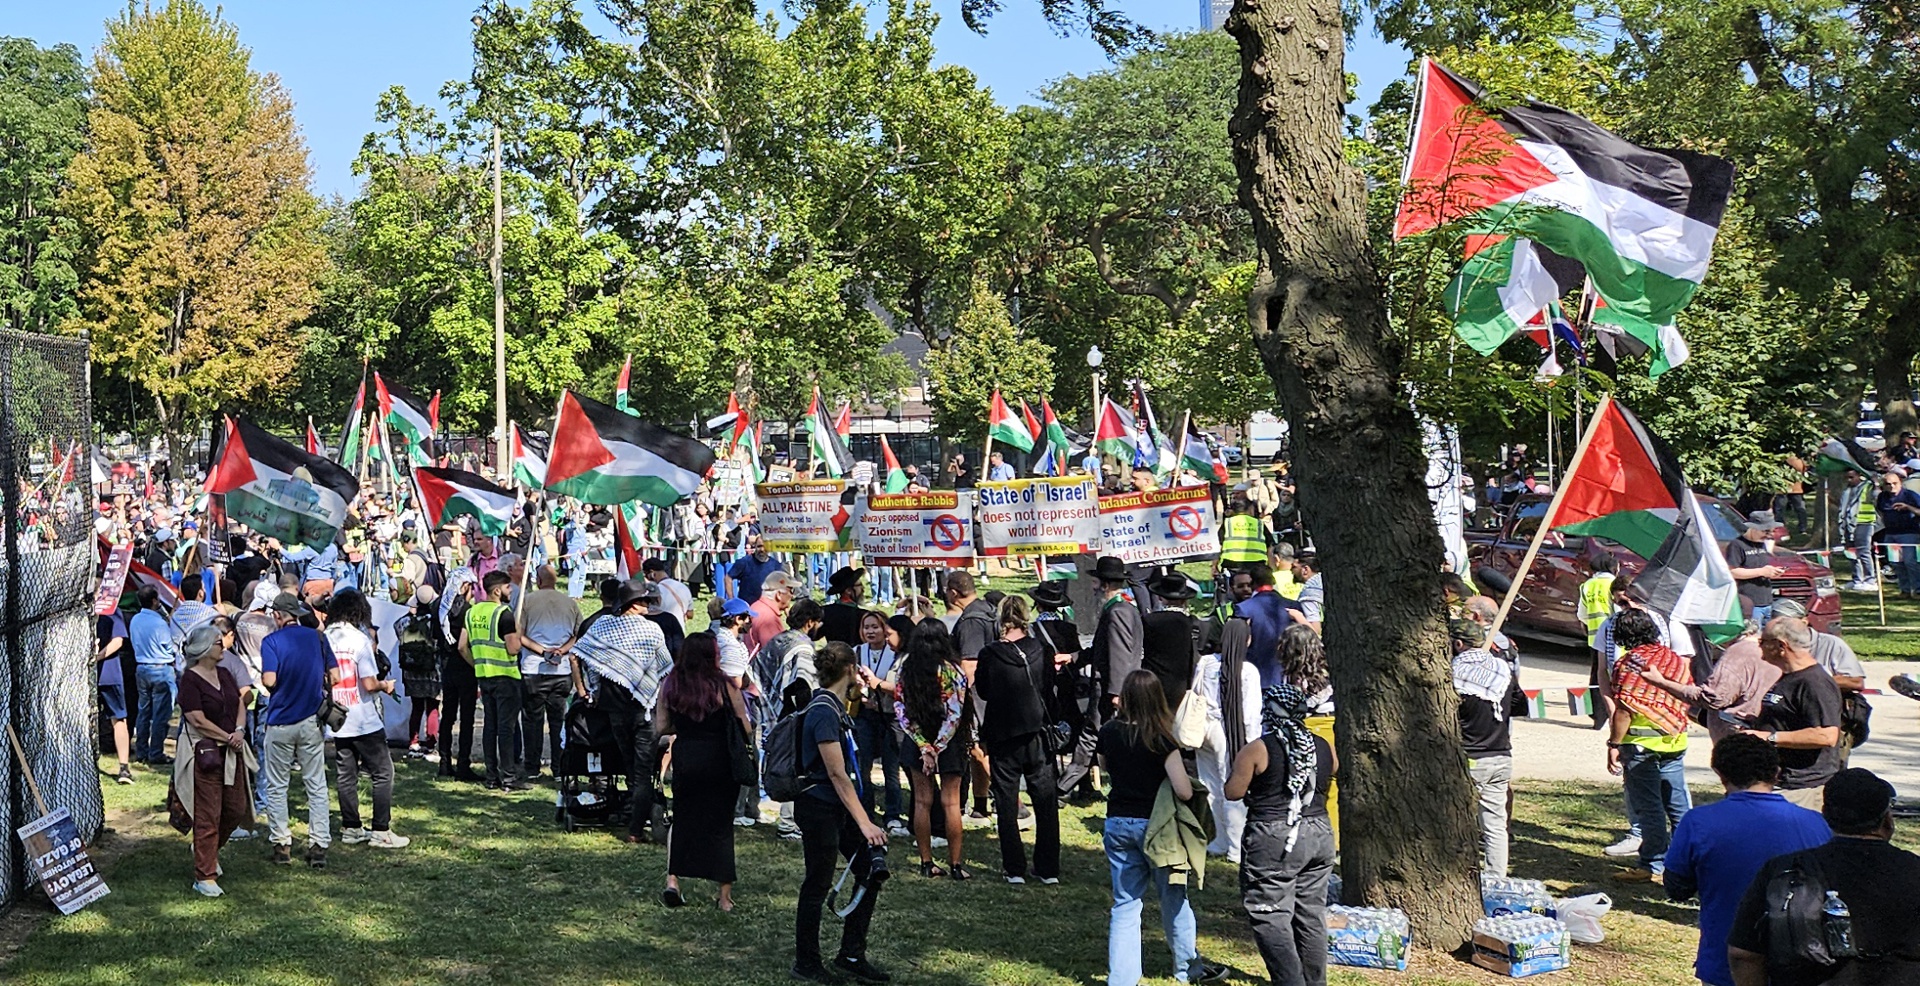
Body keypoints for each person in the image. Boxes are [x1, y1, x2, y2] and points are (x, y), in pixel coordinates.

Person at [1662, 734, 1831, 986]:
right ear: (1776, 772)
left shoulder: (1698, 822)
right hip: (1803, 962)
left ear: (1720, 774)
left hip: (1726, 963)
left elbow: (1677, 888)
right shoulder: (1817, 823)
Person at [1728, 769, 1920, 986]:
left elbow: (1744, 954)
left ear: (1825, 815)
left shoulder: (1783, 870)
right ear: (1886, 820)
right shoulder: (1914, 870)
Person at [1099, 670, 1223, 986]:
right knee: (1173, 898)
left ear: (1125, 697)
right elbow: (1182, 790)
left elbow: (1103, 766)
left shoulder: (1110, 731)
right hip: (1159, 829)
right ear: (1157, 699)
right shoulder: (1161, 738)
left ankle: (1122, 979)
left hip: (1118, 822)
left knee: (1125, 904)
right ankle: (1187, 969)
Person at [792, 641, 891, 985]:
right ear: (850, 669)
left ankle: (851, 953)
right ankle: (806, 962)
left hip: (837, 807)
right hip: (819, 807)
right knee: (817, 884)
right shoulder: (823, 711)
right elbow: (836, 773)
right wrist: (865, 823)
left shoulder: (839, 707)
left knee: (868, 870)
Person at [1226, 682, 1336, 986]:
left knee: (1270, 912)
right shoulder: (1323, 745)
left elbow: (1233, 792)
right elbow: (1335, 769)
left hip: (1275, 838)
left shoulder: (1258, 749)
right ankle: (1316, 982)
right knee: (1311, 913)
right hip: (1320, 834)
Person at [570, 579, 676, 845]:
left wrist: (585, 689)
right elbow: (665, 668)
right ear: (634, 604)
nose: (648, 605)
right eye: (645, 601)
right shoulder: (651, 630)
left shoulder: (603, 625)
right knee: (641, 772)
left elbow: (576, 655)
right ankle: (636, 829)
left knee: (631, 768)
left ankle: (635, 815)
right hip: (644, 710)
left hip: (614, 710)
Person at [655, 632, 752, 912]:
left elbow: (661, 726)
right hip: (720, 758)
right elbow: (744, 723)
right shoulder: (724, 684)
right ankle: (724, 897)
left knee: (683, 818)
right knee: (721, 825)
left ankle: (673, 880)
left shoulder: (671, 683)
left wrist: (684, 727)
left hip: (687, 756)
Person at [973, 595, 1060, 885]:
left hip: (1002, 734)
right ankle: (1048, 868)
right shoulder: (1042, 649)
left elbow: (983, 691)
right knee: (1045, 801)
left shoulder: (989, 654)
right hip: (1037, 731)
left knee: (1006, 801)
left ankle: (1014, 868)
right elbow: (1049, 688)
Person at [1607, 607, 1694, 882]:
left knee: (1650, 807)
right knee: (1677, 805)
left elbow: (1624, 710)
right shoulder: (1675, 660)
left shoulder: (1628, 664)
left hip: (1641, 745)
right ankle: (1687, 862)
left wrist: (1614, 743)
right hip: (1675, 739)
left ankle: (1651, 865)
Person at [323, 590, 410, 849]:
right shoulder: (360, 640)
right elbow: (369, 683)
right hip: (362, 716)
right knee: (383, 772)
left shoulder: (326, 636)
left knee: (345, 774)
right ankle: (381, 829)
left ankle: (351, 826)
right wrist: (386, 686)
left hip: (337, 716)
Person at [258, 592, 338, 868]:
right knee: (316, 784)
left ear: (278, 616)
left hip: (280, 720)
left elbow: (269, 680)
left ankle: (282, 843)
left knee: (277, 785)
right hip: (310, 720)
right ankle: (319, 845)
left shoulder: (271, 642)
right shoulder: (317, 638)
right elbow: (336, 676)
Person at [174, 622, 254, 897]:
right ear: (205, 648)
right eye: (219, 642)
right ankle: (205, 876)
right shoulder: (190, 679)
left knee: (235, 808)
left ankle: (205, 849)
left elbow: (240, 703)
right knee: (208, 813)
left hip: (232, 749)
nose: (224, 645)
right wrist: (226, 735)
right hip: (205, 753)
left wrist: (239, 731)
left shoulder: (224, 673)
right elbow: (196, 718)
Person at [1059, 556, 1142, 799]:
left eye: (1095, 583)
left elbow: (1118, 653)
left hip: (1109, 687)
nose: (1093, 589)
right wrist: (1073, 658)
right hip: (1115, 685)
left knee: (1090, 736)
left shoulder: (1116, 612)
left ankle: (1062, 788)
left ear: (1105, 585)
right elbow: (1100, 649)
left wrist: (1116, 692)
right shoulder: (1124, 609)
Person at [896, 619, 971, 879]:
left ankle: (926, 862)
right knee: (951, 803)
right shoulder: (953, 671)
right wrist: (937, 747)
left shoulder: (906, 669)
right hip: (949, 743)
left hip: (917, 741)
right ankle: (956, 864)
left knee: (921, 801)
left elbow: (901, 710)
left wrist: (924, 747)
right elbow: (955, 714)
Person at [1748, 616, 1843, 809]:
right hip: (1780, 780)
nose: (1760, 647)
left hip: (1802, 787)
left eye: (1763, 642)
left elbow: (1826, 735)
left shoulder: (1814, 682)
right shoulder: (1789, 677)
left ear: (1781, 646)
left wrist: (1769, 737)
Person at [1452, 618, 1523, 876]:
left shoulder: (1453, 675)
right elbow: (1520, 704)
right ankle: (1496, 877)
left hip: (1470, 759)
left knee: (1457, 823)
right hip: (1501, 755)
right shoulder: (1503, 670)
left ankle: (1458, 875)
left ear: (1458, 644)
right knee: (1495, 825)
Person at [1639, 620, 1781, 743]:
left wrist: (1662, 683)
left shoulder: (1738, 652)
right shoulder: (1769, 649)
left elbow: (1713, 698)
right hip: (1764, 732)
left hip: (1739, 738)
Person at [1195, 617, 1261, 863]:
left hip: (1204, 729)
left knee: (1210, 785)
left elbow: (1195, 692)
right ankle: (1236, 847)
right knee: (1234, 787)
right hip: (1230, 735)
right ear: (1247, 640)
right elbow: (1251, 715)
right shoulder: (1248, 672)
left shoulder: (1206, 663)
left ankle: (1219, 840)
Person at [459, 571, 528, 791]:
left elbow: (462, 646)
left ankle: (491, 776)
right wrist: (519, 632)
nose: (510, 592)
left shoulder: (471, 612)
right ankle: (508, 777)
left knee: (490, 726)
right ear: (497, 590)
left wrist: (478, 664)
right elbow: (513, 648)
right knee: (506, 729)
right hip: (506, 677)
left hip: (484, 677)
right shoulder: (504, 614)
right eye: (508, 588)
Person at [518, 565, 580, 781]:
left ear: (537, 579)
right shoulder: (570, 603)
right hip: (562, 670)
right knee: (558, 721)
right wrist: (562, 650)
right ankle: (559, 767)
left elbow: (520, 635)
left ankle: (532, 767)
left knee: (532, 720)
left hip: (534, 668)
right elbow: (578, 634)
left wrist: (543, 652)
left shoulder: (527, 601)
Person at [851, 608, 907, 836]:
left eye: (875, 626)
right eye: (867, 627)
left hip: (890, 715)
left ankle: (893, 815)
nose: (871, 631)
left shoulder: (894, 653)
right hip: (865, 714)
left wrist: (876, 684)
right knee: (863, 765)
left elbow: (898, 685)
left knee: (891, 767)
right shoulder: (857, 651)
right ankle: (865, 812)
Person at [436, 569, 482, 782]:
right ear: (464, 587)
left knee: (447, 716)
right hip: (465, 668)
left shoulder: (440, 608)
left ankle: (444, 762)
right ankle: (463, 763)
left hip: (446, 667)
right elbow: (467, 644)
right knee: (467, 717)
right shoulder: (467, 611)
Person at [129, 585, 180, 765]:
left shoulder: (135, 619)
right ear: (154, 601)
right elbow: (168, 645)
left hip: (142, 667)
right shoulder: (158, 623)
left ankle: (142, 750)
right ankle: (156, 752)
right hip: (160, 668)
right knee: (161, 714)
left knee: (144, 711)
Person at [1140, 574, 1202, 709]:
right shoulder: (1192, 623)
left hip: (1154, 684)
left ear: (1160, 597)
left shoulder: (1149, 621)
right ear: (1185, 600)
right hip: (1183, 686)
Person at [1233, 562, 1291, 688]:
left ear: (1253, 583)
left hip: (1257, 678)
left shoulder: (1243, 609)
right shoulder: (1292, 606)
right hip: (1289, 680)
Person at [1577, 552, 1619, 725]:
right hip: (1617, 638)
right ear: (1613, 568)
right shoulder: (1615, 584)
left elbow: (1582, 614)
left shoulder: (1587, 586)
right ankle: (1616, 715)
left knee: (1597, 677)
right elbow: (1619, 610)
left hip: (1595, 639)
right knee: (1617, 676)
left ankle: (1598, 716)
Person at [1725, 511, 1785, 625]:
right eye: (1765, 531)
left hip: (1767, 601)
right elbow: (1732, 572)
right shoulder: (1737, 545)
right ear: (1753, 528)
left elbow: (1760, 567)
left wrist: (1772, 571)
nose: (1769, 535)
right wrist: (1762, 571)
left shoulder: (1762, 544)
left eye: (1772, 531)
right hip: (1749, 603)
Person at [97, 602, 134, 784]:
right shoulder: (80, 609)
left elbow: (118, 640)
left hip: (108, 673)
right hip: (84, 676)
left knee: (118, 718)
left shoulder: (111, 610)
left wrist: (96, 657)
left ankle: (124, 768)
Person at [1875, 470, 1920, 597]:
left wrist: (1908, 507)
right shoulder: (1882, 497)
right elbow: (1881, 511)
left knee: (1910, 561)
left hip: (1909, 533)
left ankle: (1917, 589)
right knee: (1896, 563)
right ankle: (1904, 590)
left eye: (1895, 483)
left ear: (1901, 483)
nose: (1892, 487)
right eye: (1888, 484)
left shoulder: (1910, 495)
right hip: (1890, 533)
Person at [1838, 469, 1879, 590]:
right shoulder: (1847, 490)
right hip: (1848, 523)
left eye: (1851, 477)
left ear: (1859, 476)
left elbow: (1876, 496)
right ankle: (1857, 578)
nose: (1849, 480)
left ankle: (1870, 579)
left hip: (1864, 522)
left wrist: (1875, 483)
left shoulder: (1868, 487)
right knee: (1851, 551)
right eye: (1847, 478)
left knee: (1863, 551)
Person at [747, 571, 797, 655]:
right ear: (779, 595)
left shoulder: (757, 606)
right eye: (791, 591)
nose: (793, 596)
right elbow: (776, 652)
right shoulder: (768, 618)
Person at [723, 535, 783, 603]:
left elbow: (782, 586)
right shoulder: (744, 562)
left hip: (767, 608)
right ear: (755, 546)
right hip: (747, 608)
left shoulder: (776, 565)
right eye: (759, 546)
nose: (762, 549)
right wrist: (732, 600)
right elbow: (728, 578)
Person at [1218, 496, 1267, 575]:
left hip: (1232, 563)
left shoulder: (1228, 523)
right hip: (1257, 564)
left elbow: (1219, 544)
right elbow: (1270, 546)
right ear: (1249, 509)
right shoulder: (1259, 523)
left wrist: (1214, 565)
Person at [821, 567, 867, 647]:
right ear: (848, 590)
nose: (863, 588)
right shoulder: (863, 615)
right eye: (859, 585)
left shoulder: (824, 611)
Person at [642, 557, 693, 625]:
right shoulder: (684, 587)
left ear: (652, 573)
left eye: (646, 575)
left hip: (661, 629)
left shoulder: (655, 592)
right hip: (679, 630)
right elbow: (690, 614)